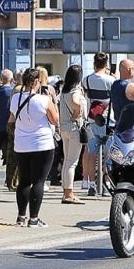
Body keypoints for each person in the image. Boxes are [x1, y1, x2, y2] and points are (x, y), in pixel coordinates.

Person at [10, 67, 60, 227]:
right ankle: (34, 218)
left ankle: (21, 216)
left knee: (24, 180)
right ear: (36, 82)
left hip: (21, 144)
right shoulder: (43, 100)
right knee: (38, 181)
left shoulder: (15, 98)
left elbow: (12, 118)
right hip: (42, 144)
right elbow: (55, 119)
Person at [81, 53, 115, 195]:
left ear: (94, 63)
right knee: (108, 154)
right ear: (106, 64)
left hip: (92, 119)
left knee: (90, 153)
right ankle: (107, 183)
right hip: (108, 120)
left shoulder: (86, 80)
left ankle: (91, 184)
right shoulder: (111, 80)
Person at [56, 65, 88, 204]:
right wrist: (77, 113)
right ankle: (69, 193)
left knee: (67, 161)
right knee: (72, 162)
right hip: (74, 128)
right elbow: (76, 102)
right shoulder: (75, 90)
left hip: (64, 128)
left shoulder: (64, 91)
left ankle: (66, 191)